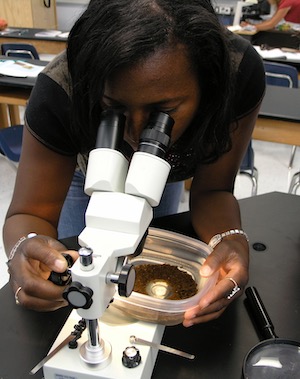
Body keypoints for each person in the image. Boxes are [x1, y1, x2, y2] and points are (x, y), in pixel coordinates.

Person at [3, 0, 265, 327]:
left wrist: (230, 240)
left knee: (149, 237)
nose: (136, 133)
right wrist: (26, 250)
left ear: (207, 87)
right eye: (114, 108)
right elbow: (29, 214)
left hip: (165, 175)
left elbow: (213, 191)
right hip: (85, 176)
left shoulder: (236, 74)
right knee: (82, 261)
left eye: (163, 110)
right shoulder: (61, 90)